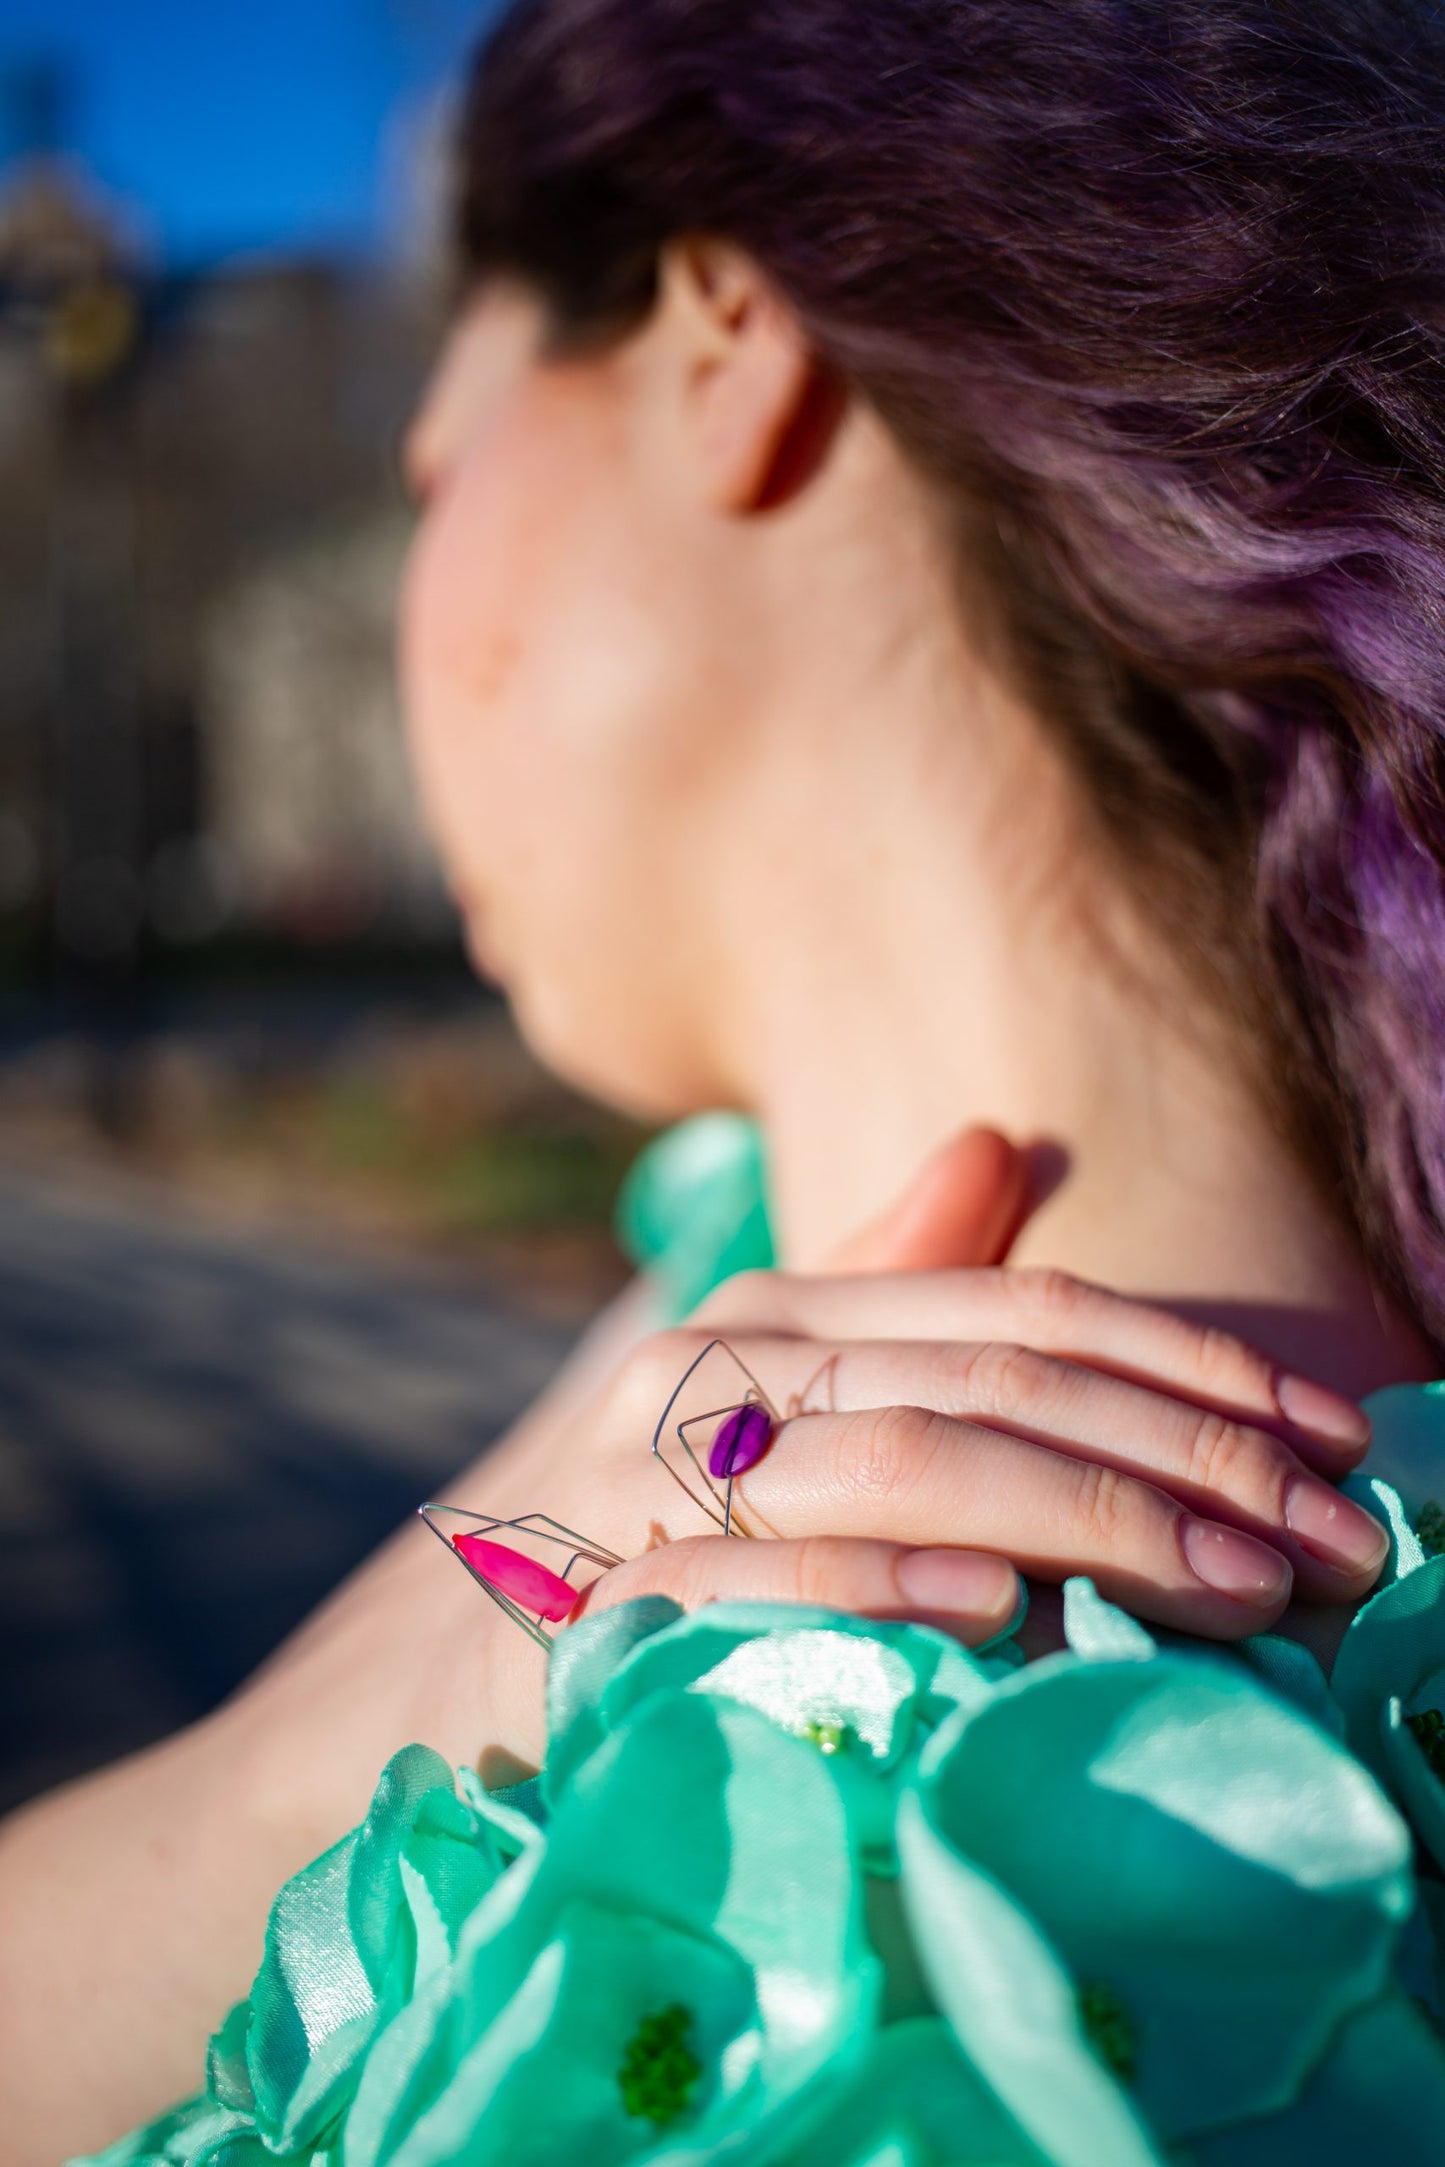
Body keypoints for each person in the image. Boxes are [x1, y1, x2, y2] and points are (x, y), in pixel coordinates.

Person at [5, 0, 1445, 2156]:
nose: (413, 593)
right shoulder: (724, 1284)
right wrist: (368, 1707)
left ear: (722, 338)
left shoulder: (884, 2015)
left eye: (428, 462)